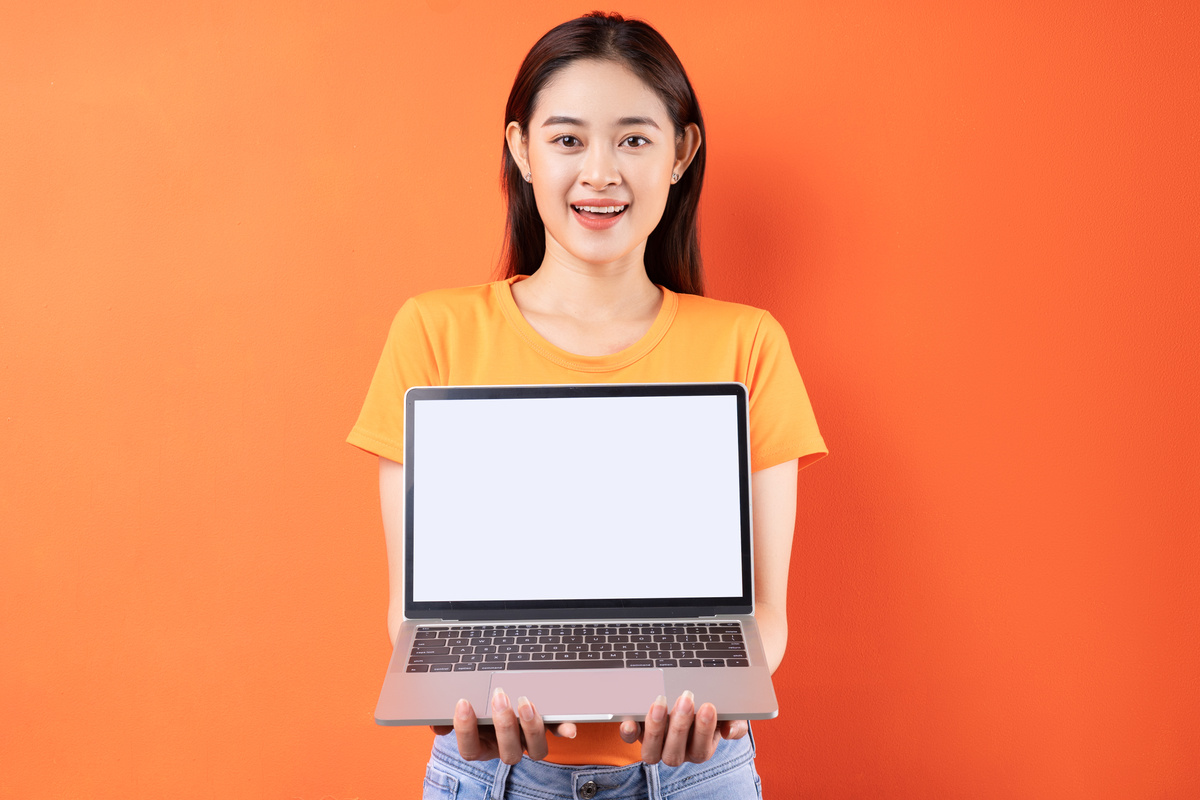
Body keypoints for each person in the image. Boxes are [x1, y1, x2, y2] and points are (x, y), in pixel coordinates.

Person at [348, 12, 827, 799]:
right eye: (568, 139)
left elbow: (763, 616)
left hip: (694, 777)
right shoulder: (433, 331)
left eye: (633, 139)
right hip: (490, 776)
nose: (599, 172)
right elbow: (415, 613)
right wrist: (468, 698)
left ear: (682, 153)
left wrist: (716, 694)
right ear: (520, 151)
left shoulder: (749, 345)